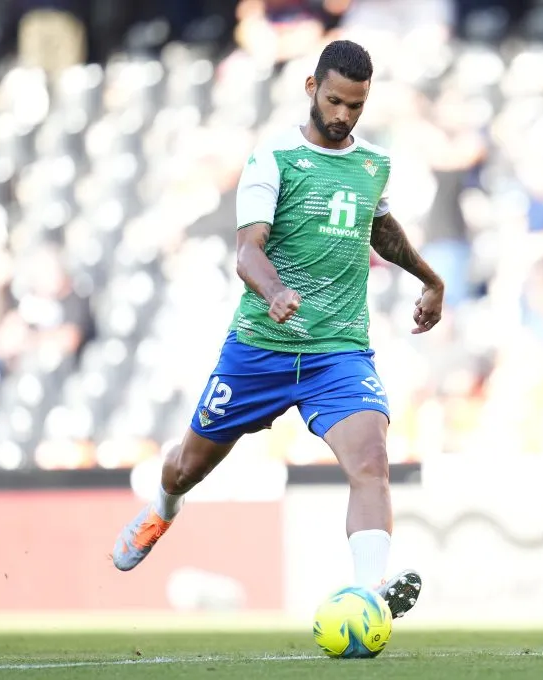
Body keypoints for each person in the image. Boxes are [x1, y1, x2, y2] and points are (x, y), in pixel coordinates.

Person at [112, 39, 444, 619]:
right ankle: (163, 508)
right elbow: (247, 251)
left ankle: (368, 596)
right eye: (336, 101)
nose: (344, 117)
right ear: (312, 89)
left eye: (356, 107)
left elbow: (381, 230)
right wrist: (274, 292)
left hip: (337, 352)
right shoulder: (274, 159)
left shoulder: (373, 165)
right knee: (185, 466)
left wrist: (431, 279)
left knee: (370, 460)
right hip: (262, 347)